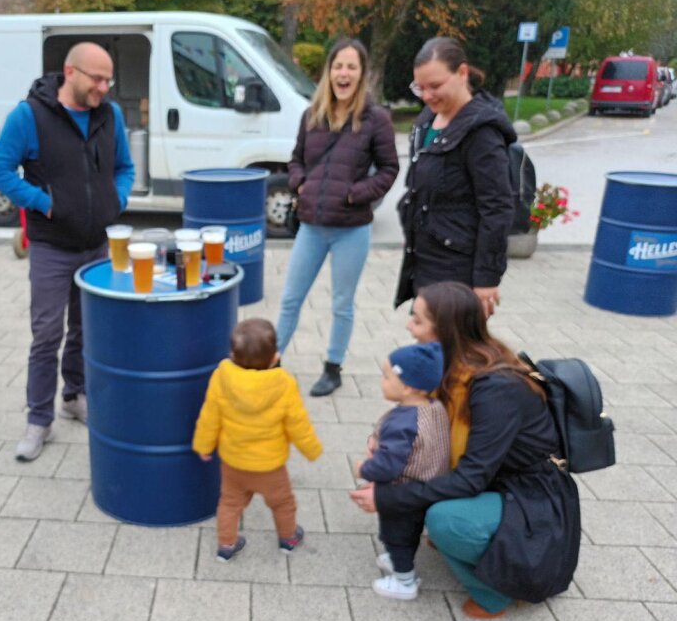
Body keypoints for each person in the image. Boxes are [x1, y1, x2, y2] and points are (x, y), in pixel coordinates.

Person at [350, 282, 581, 619]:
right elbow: (428, 438)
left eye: (417, 320)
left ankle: (495, 595)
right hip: (497, 479)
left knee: (445, 522)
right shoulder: (455, 365)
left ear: (443, 329)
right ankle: (472, 537)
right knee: (424, 497)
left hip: (532, 499)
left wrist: (387, 498)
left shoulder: (492, 388)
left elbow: (470, 479)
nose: (408, 327)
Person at [0, 42, 135, 461]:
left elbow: (125, 167)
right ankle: (38, 420)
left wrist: (115, 199)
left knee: (86, 328)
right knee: (47, 334)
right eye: (97, 79)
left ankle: (75, 395)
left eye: (109, 80)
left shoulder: (111, 115)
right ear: (70, 72)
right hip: (52, 246)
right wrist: (43, 202)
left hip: (98, 243)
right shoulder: (29, 116)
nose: (104, 88)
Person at [276, 38, 399, 396]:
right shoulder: (312, 115)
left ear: (361, 75)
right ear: (329, 72)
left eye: (351, 67)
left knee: (342, 303)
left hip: (351, 229)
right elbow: (295, 158)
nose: (343, 73)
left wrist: (355, 194)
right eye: (338, 66)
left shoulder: (376, 120)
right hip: (312, 226)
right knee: (290, 298)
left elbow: (389, 169)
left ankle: (333, 367)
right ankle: (272, 360)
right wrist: (300, 183)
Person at [394, 37, 517, 318]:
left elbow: (497, 208)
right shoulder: (427, 120)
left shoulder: (482, 132)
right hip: (424, 260)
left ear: (462, 73)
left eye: (435, 86)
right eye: (420, 88)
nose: (426, 95)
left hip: (457, 269)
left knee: (453, 353)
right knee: (429, 346)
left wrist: (486, 278)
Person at [192, 318, 323, 562]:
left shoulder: (221, 376)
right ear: (275, 357)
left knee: (230, 504)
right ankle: (288, 538)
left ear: (232, 354)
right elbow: (298, 423)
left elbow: (210, 414)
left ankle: (226, 545)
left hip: (234, 462)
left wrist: (203, 444)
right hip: (270, 466)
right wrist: (312, 449)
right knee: (283, 503)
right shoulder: (284, 383)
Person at [354, 343, 450, 601]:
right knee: (410, 531)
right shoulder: (434, 407)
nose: (382, 381)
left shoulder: (402, 423)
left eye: (387, 377)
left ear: (407, 387)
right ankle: (400, 558)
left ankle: (404, 581)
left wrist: (364, 468)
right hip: (429, 484)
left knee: (396, 534)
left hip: (404, 489)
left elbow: (388, 465)